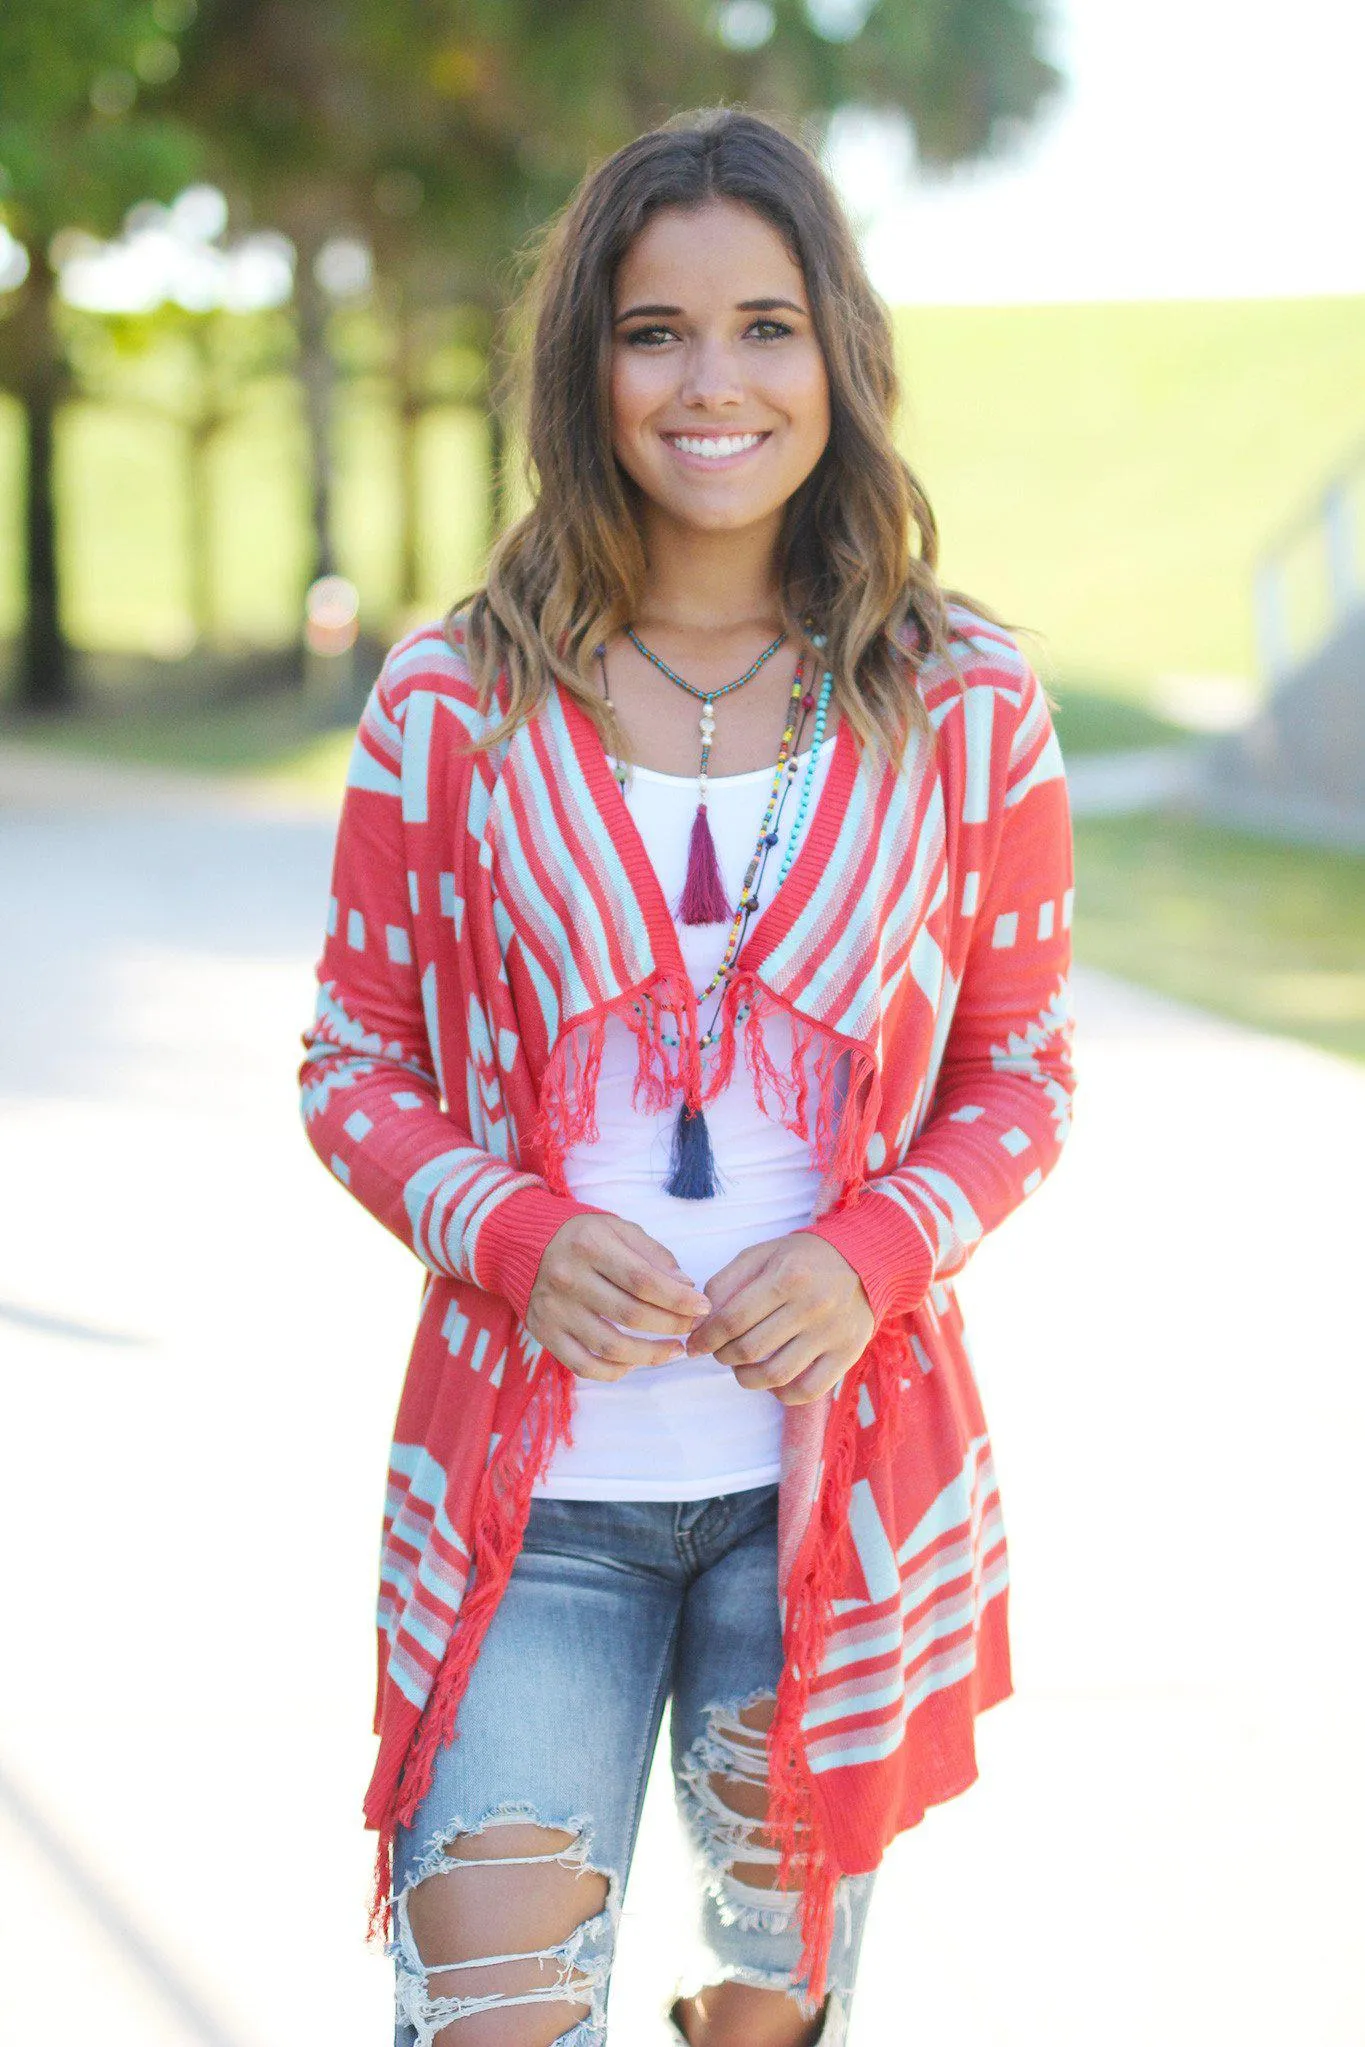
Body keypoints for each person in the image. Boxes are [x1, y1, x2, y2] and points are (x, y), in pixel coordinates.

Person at [299, 106, 1076, 2047]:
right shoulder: (453, 702)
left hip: (828, 1504)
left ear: (838, 360)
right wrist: (507, 1227)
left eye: (765, 325)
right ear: (586, 366)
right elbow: (352, 1060)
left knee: (765, 2024)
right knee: (481, 2011)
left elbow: (1022, 1072)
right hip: (531, 1495)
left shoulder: (958, 700)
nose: (710, 381)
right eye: (653, 332)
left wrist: (873, 1251)